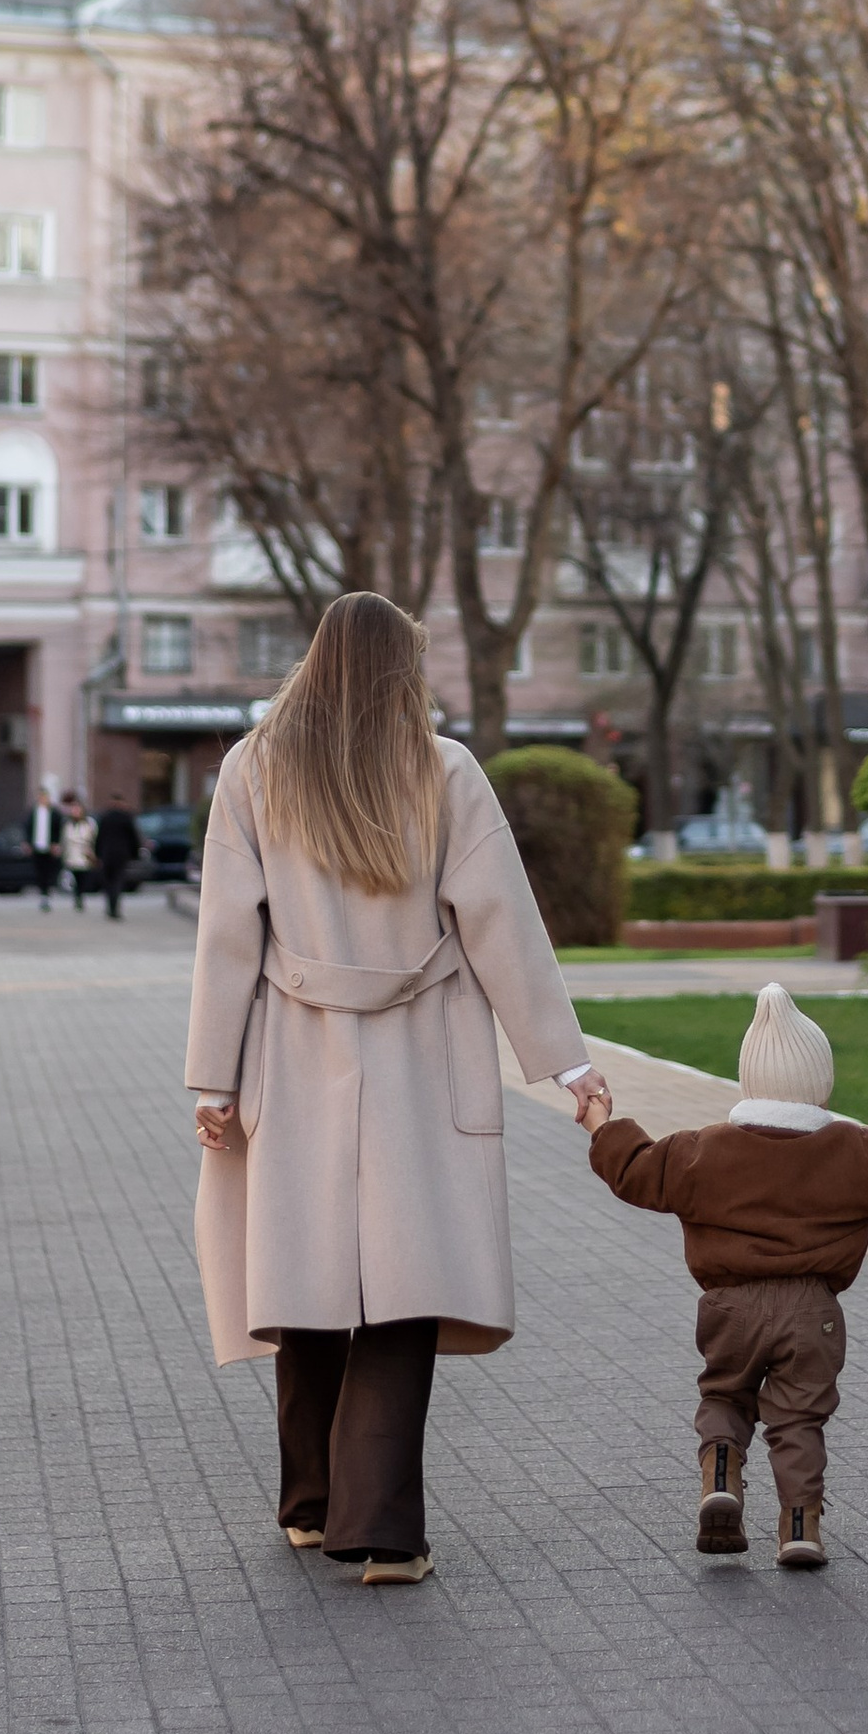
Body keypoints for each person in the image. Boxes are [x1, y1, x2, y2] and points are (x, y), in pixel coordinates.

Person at [184, 592, 607, 1579]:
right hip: (423, 1047)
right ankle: (377, 1528)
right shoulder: (443, 769)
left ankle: (309, 1503)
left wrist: (212, 1076)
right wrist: (566, 1060)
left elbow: (226, 933)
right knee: (404, 1283)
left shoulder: (253, 768)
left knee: (303, 1270)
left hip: (292, 1046)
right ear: (398, 671)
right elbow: (502, 921)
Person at [582, 983, 868, 1571]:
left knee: (725, 1395)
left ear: (748, 1084)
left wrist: (603, 1124)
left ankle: (722, 1477)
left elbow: (635, 1170)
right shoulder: (855, 1150)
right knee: (799, 1418)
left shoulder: (701, 1151)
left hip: (729, 1307)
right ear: (822, 1085)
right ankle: (799, 1528)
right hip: (813, 1311)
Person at [92, 803, 140, 922]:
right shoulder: (126, 818)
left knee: (109, 880)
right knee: (118, 880)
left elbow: (99, 836)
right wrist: (135, 854)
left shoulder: (105, 817)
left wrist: (97, 853)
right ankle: (115, 907)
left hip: (107, 853)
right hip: (121, 854)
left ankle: (110, 906)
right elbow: (133, 837)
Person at [28, 787, 64, 910]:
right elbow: (28, 828)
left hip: (50, 848)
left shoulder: (54, 813)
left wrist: (56, 843)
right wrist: (28, 843)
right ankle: (43, 895)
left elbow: (59, 829)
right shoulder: (34, 812)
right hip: (37, 847)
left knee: (50, 872)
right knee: (40, 872)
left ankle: (47, 893)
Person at [60, 799, 100, 908]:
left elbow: (93, 839)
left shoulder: (89, 824)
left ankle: (80, 897)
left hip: (84, 856)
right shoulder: (67, 825)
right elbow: (64, 840)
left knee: (83, 878)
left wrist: (93, 853)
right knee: (74, 879)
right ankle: (77, 897)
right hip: (71, 856)